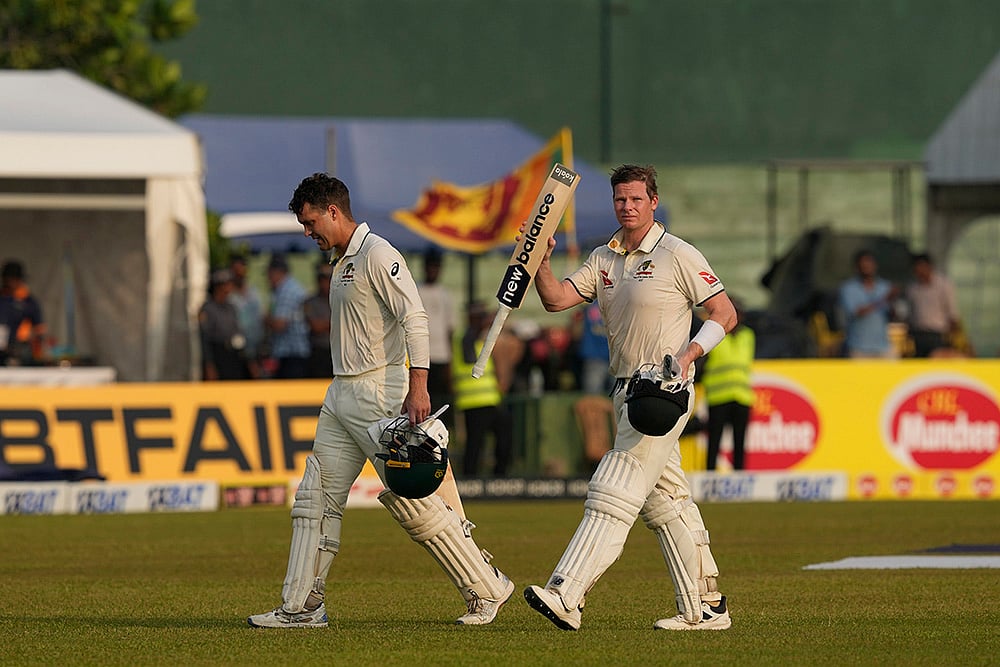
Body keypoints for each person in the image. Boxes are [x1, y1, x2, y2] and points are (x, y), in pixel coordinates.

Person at [249, 173, 512, 629]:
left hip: (379, 394)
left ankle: (487, 588)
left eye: (311, 222)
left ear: (333, 211)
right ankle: (302, 607)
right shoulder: (341, 260)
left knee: (415, 501)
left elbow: (415, 319)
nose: (307, 233)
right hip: (341, 394)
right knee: (314, 499)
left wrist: (418, 385)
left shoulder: (378, 254)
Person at [521, 164, 736, 631]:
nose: (628, 207)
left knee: (613, 488)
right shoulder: (604, 257)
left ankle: (567, 593)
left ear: (653, 202)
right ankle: (705, 606)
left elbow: (724, 312)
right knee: (666, 503)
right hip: (623, 390)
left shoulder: (678, 253)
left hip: (663, 391)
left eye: (637, 199)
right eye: (621, 199)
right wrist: (540, 261)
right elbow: (556, 299)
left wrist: (690, 353)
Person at [452, 301, 514, 478]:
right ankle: (473, 478)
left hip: (488, 399)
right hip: (476, 400)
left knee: (496, 439)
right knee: (475, 444)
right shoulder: (470, 338)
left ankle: (492, 476)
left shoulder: (472, 337)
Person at [700, 298, 755, 471]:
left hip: (742, 396)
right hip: (718, 397)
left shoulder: (748, 335)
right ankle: (709, 476)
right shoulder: (714, 335)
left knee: (740, 441)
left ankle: (739, 477)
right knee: (714, 441)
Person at [418, 246, 456, 428]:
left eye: (436, 267)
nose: (433, 271)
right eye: (430, 267)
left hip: (441, 356)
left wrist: (450, 360)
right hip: (422, 358)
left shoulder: (444, 294)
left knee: (440, 404)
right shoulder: (417, 291)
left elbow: (450, 329)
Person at [838, 249, 900, 358]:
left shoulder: (884, 286)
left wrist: (893, 304)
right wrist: (884, 300)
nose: (867, 268)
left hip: (883, 346)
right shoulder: (849, 288)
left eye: (869, 265)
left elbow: (892, 316)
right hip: (858, 347)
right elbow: (857, 312)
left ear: (875, 266)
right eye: (863, 266)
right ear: (857, 268)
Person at [905, 253, 963, 358]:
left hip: (937, 334)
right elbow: (911, 313)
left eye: (921, 267)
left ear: (929, 266)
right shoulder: (912, 288)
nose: (919, 271)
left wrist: (954, 339)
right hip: (918, 334)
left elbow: (952, 312)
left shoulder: (943, 285)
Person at [263, 254, 311, 378]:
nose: (268, 279)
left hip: (292, 353)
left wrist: (265, 319)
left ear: (276, 272)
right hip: (295, 352)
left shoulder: (286, 291)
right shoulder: (292, 287)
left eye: (269, 274)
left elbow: (280, 324)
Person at [199, 269, 251, 380]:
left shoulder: (231, 307)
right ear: (218, 287)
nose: (230, 288)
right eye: (227, 284)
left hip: (234, 355)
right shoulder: (208, 309)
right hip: (218, 355)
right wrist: (209, 364)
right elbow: (205, 339)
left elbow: (237, 331)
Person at [0, 260, 47, 366]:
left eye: (13, 279)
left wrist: (26, 337)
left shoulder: (28, 301)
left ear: (20, 280)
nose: (10, 283)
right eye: (7, 279)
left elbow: (39, 328)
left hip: (19, 349)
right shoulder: (2, 297)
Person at [228, 254, 264, 378]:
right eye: (235, 271)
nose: (239, 274)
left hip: (256, 349)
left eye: (241, 270)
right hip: (236, 352)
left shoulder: (253, 292)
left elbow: (260, 317)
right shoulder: (228, 296)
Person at [574, 300, 612, 394]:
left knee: (621, 397)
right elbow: (576, 332)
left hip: (618, 357)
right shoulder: (588, 302)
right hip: (594, 356)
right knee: (592, 396)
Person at [303, 262, 334, 378]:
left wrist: (326, 324)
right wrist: (335, 324)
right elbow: (315, 327)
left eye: (328, 279)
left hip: (337, 352)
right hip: (319, 352)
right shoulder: (311, 302)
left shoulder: (339, 300)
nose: (325, 284)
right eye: (322, 280)